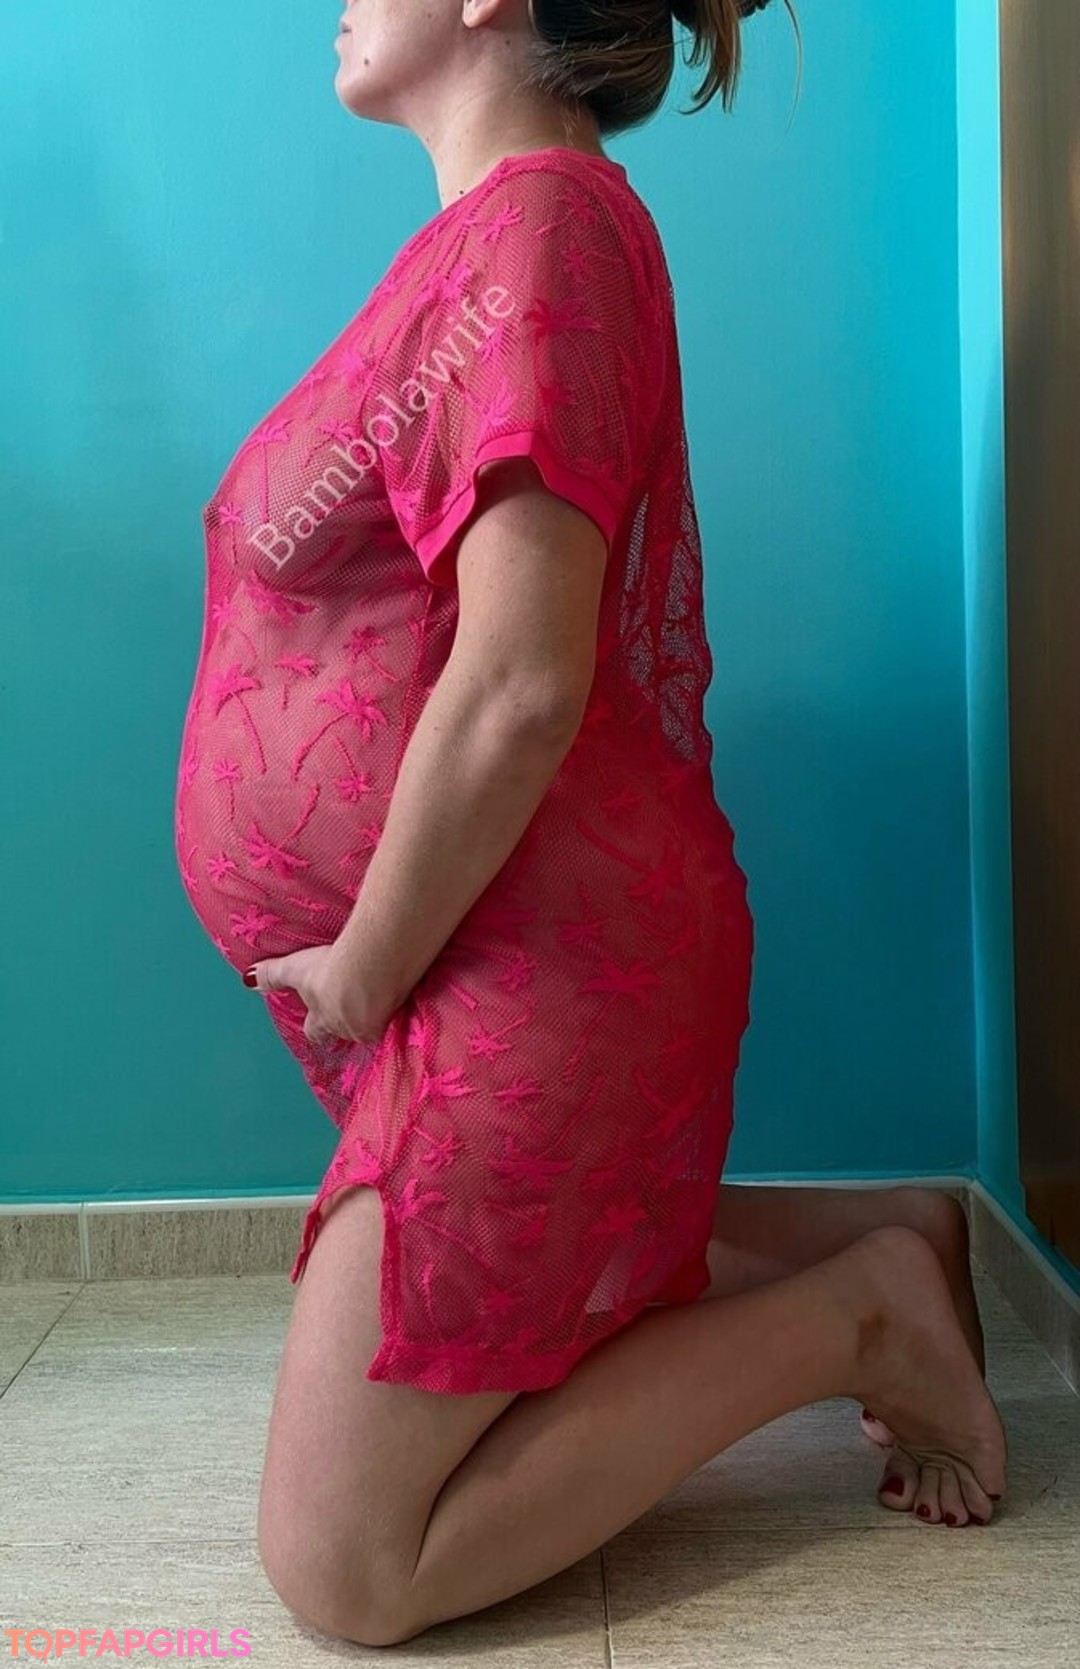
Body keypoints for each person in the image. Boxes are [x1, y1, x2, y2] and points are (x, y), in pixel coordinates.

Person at [172, 0, 1007, 1646]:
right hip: (494, 964)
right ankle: (881, 1232)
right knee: (521, 1310)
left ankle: (861, 1315)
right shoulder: (494, 242)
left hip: (536, 971)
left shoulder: (545, 231)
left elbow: (520, 681)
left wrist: (365, 968)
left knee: (345, 1559)